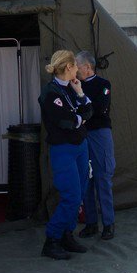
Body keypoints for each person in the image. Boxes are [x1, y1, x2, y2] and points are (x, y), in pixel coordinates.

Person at [38, 49, 93, 260]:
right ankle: (52, 239)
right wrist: (80, 118)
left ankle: (66, 235)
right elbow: (65, 122)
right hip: (63, 149)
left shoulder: (71, 88)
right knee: (71, 196)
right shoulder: (50, 92)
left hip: (80, 145)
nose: (78, 69)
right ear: (68, 67)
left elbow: (88, 111)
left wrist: (80, 94)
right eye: (75, 66)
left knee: (79, 194)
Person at [75, 51, 115, 240]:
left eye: (77, 65)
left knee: (103, 177)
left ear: (87, 67)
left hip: (99, 134)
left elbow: (99, 109)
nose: (74, 69)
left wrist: (83, 107)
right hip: (83, 135)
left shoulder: (103, 85)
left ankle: (108, 223)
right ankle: (91, 223)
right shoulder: (74, 86)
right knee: (85, 179)